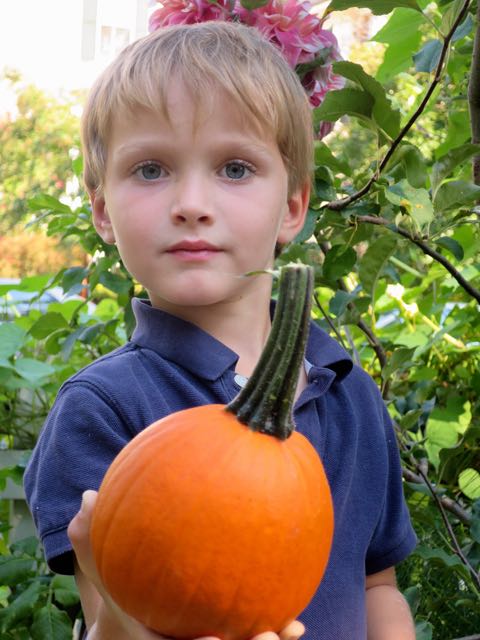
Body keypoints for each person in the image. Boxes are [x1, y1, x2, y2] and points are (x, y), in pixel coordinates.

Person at [24, 21, 417, 640]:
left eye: (234, 168)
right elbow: (110, 620)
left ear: (292, 205)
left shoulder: (351, 394)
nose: (191, 202)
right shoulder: (102, 410)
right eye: (151, 170)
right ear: (103, 210)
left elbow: (378, 586)